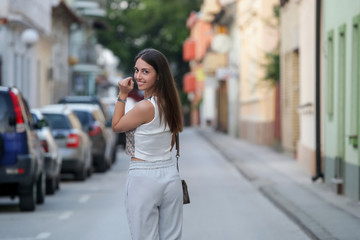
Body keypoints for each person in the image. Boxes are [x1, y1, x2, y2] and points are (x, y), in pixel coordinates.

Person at [112, 48, 183, 240]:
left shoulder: (145, 107)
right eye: (136, 70)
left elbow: (116, 125)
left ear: (158, 76)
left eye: (145, 71)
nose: (138, 76)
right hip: (170, 175)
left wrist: (122, 94)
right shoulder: (171, 105)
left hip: (144, 176)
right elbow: (169, 144)